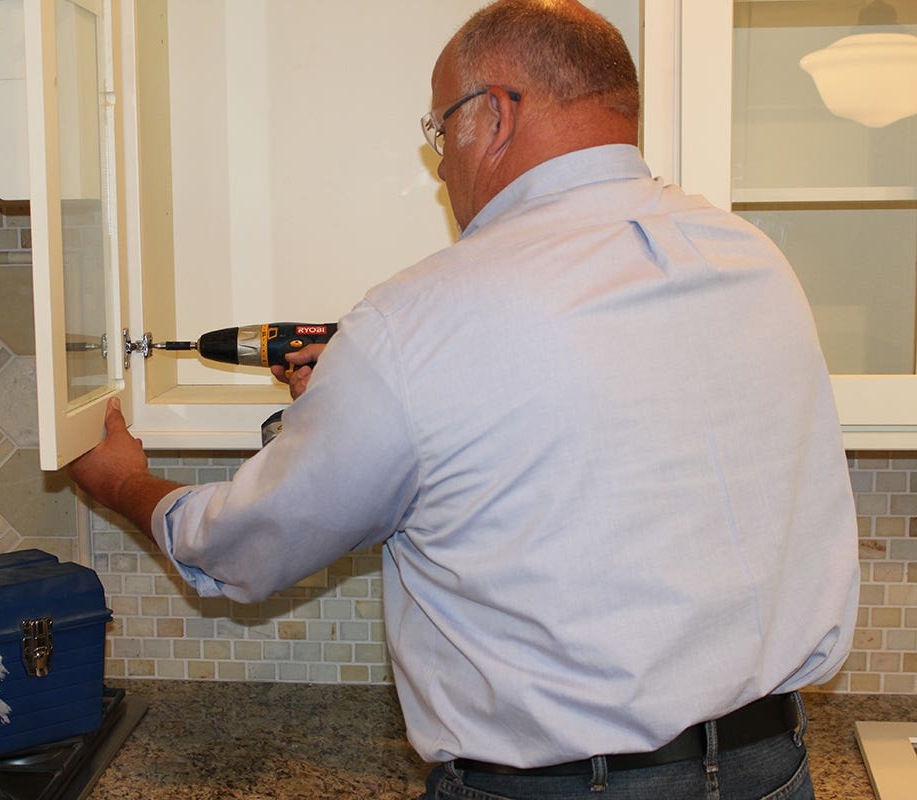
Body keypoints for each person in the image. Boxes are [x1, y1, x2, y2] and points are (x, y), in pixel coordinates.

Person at [68, 1, 860, 797]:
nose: (442, 165)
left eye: (441, 132)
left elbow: (249, 546)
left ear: (495, 113)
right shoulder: (752, 259)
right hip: (774, 769)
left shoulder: (421, 322)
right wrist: (355, 407)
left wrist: (124, 483)